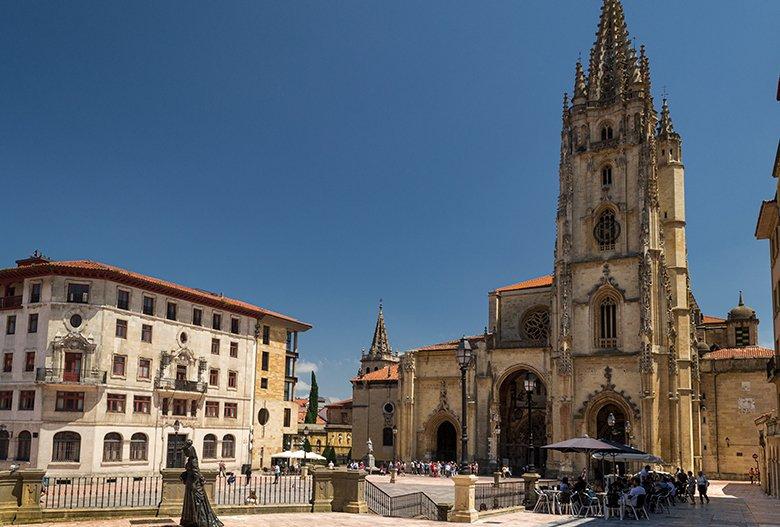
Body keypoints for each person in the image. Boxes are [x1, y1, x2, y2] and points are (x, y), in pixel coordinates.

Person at [179, 439, 223, 527]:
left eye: (186, 452)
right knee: (191, 502)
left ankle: (198, 521)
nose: (185, 454)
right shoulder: (190, 460)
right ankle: (192, 520)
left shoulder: (193, 461)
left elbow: (196, 473)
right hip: (191, 482)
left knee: (197, 502)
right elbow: (192, 471)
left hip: (194, 483)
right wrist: (185, 474)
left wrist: (199, 481)